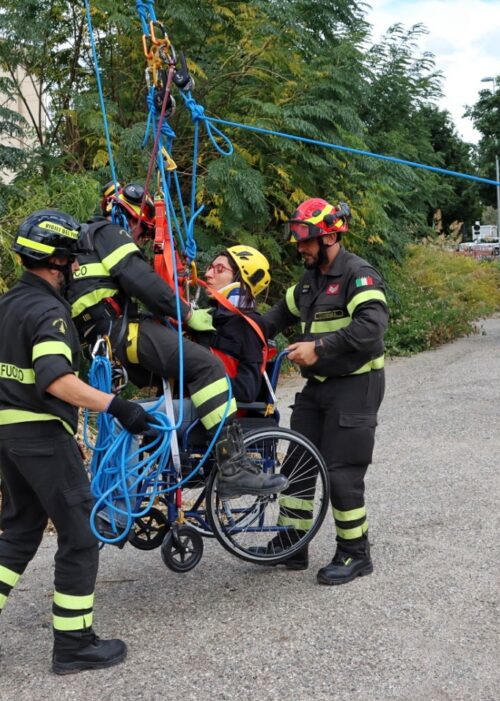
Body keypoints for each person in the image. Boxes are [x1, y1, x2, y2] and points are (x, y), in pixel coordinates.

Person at [0, 209, 154, 675]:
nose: (77, 268)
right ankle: (74, 644)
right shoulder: (48, 311)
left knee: (20, 532)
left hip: (8, 436)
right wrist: (117, 406)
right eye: (73, 261)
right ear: (59, 261)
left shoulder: (11, 303)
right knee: (81, 536)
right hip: (40, 436)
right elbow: (55, 378)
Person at [68, 182, 287, 498]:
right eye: (143, 230)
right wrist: (185, 314)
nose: (141, 238)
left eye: (219, 269)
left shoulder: (82, 243)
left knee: (128, 412)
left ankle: (115, 499)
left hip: (104, 341)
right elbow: (141, 281)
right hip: (121, 332)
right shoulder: (109, 233)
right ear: (127, 215)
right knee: (207, 366)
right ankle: (232, 468)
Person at [258, 198, 388, 585]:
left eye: (307, 239)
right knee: (297, 464)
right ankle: (292, 543)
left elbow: (370, 330)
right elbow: (273, 319)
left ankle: (354, 553)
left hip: (356, 384)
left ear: (330, 235)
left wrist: (320, 348)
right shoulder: (307, 280)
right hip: (317, 387)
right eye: (298, 238)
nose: (300, 247)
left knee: (342, 472)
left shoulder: (358, 274)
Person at [192, 245, 272, 404]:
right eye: (210, 268)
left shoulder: (248, 324)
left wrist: (196, 378)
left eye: (219, 269)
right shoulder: (215, 318)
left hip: (219, 410)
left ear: (241, 278)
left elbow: (246, 391)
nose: (207, 274)